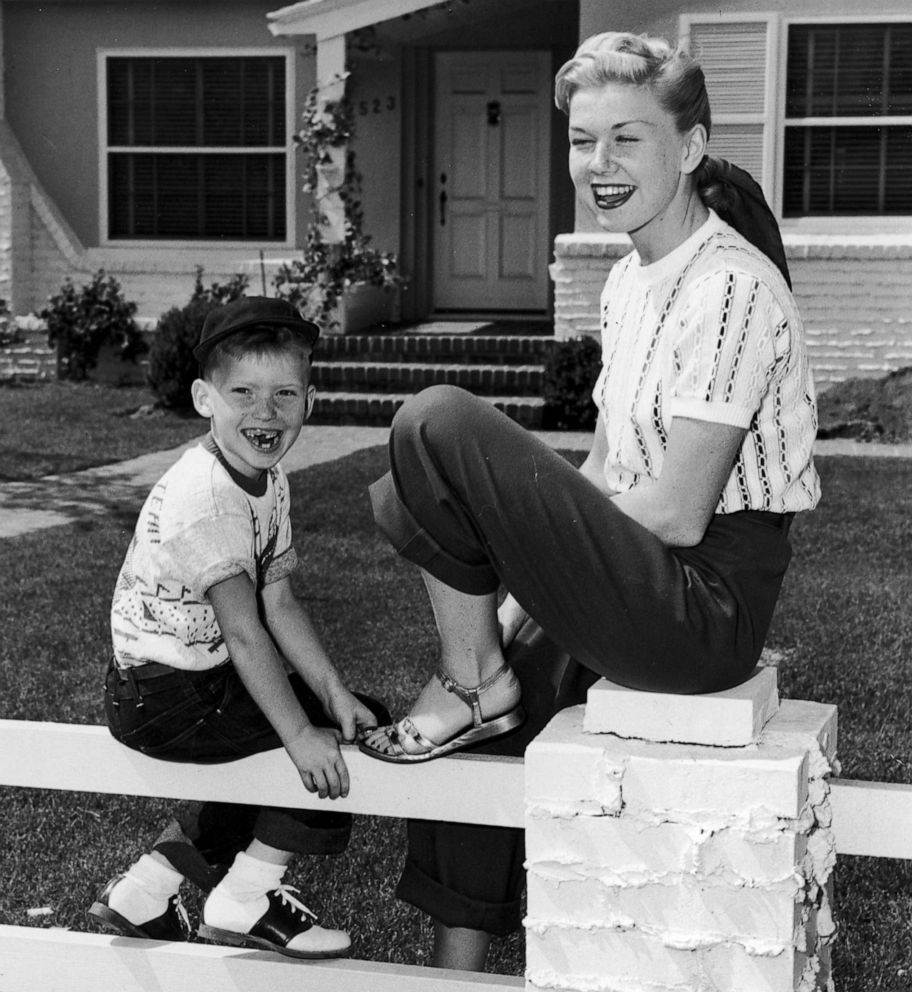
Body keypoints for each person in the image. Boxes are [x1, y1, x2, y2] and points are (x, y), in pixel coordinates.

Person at [357, 31, 821, 971]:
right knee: (450, 577)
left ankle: (470, 683)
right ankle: (458, 965)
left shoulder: (730, 286)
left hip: (700, 605)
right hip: (635, 567)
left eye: (627, 140)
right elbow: (609, 470)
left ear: (688, 148)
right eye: (582, 141)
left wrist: (527, 547)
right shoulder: (626, 281)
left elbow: (682, 512)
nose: (597, 167)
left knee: (435, 423)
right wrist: (527, 596)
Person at [88, 296, 388, 959]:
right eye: (243, 392)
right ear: (204, 398)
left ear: (309, 401)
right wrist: (303, 730)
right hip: (161, 693)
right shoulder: (209, 495)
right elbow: (248, 631)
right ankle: (246, 895)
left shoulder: (268, 480)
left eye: (286, 393)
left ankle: (145, 890)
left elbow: (279, 603)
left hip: (184, 680)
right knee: (306, 741)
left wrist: (333, 692)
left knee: (327, 717)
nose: (266, 411)